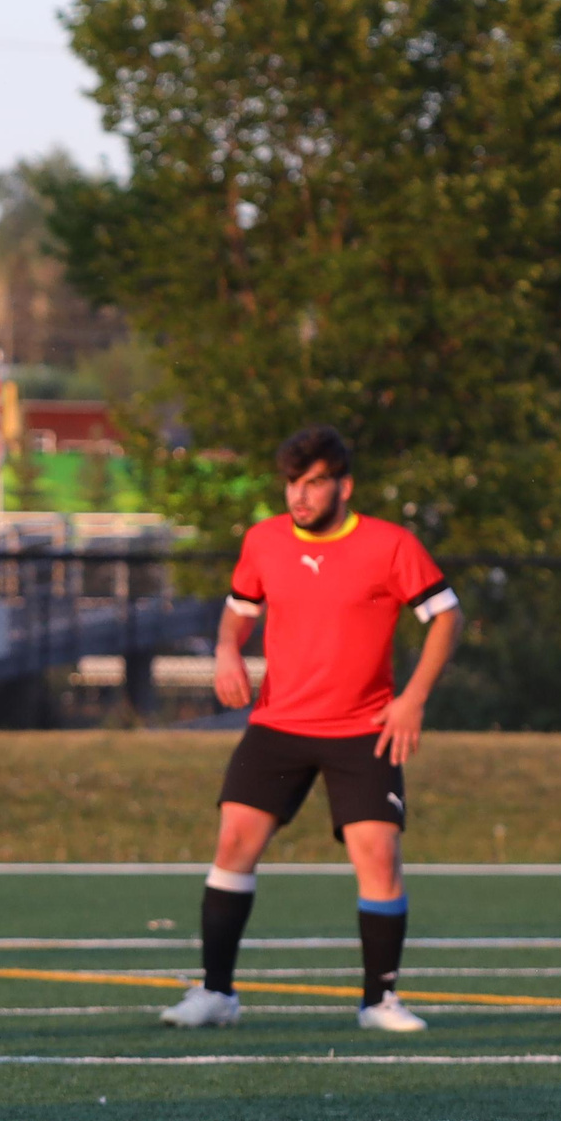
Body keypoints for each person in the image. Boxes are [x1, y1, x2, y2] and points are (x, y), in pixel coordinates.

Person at [160, 425, 463, 1034]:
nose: (300, 495)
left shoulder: (390, 544)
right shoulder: (264, 540)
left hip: (363, 728)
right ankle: (216, 993)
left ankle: (379, 1002)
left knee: (378, 855)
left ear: (344, 486)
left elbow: (446, 615)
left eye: (315, 482)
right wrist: (226, 649)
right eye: (293, 483)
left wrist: (413, 699)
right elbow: (239, 610)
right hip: (279, 723)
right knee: (233, 843)